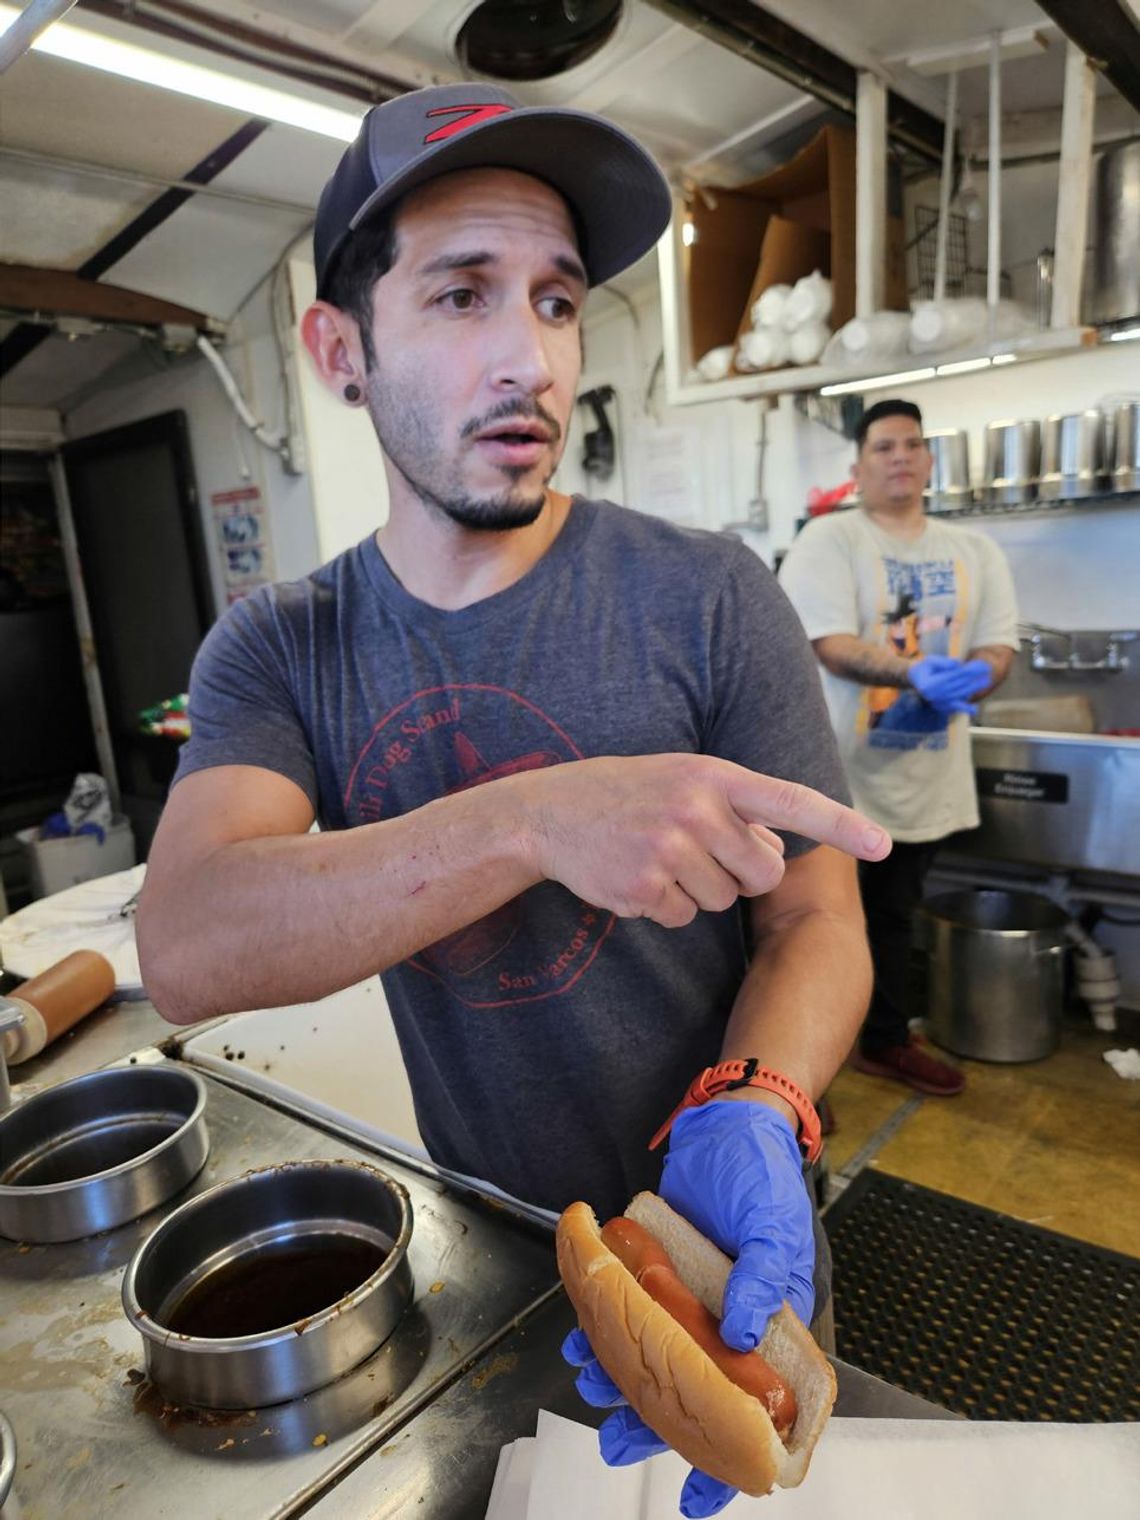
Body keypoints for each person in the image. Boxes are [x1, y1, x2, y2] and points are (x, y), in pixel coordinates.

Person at [137, 83, 891, 1518]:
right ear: (339, 350)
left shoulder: (709, 595)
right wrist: (533, 817)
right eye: (462, 295)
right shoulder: (285, 645)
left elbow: (816, 913)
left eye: (555, 303)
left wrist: (760, 1098)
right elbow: (191, 939)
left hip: (740, 1233)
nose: (529, 359)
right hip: (495, 1255)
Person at [779, 398, 1018, 1097]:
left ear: (930, 460)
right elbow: (826, 642)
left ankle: (882, 1043)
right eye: (884, 446)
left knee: (892, 916)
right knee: (807, 926)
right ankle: (797, 1077)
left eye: (913, 444)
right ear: (858, 466)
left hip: (927, 776)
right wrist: (912, 669)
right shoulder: (832, 540)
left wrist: (983, 672)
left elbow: (999, 641)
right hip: (837, 778)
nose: (901, 457)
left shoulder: (975, 550)